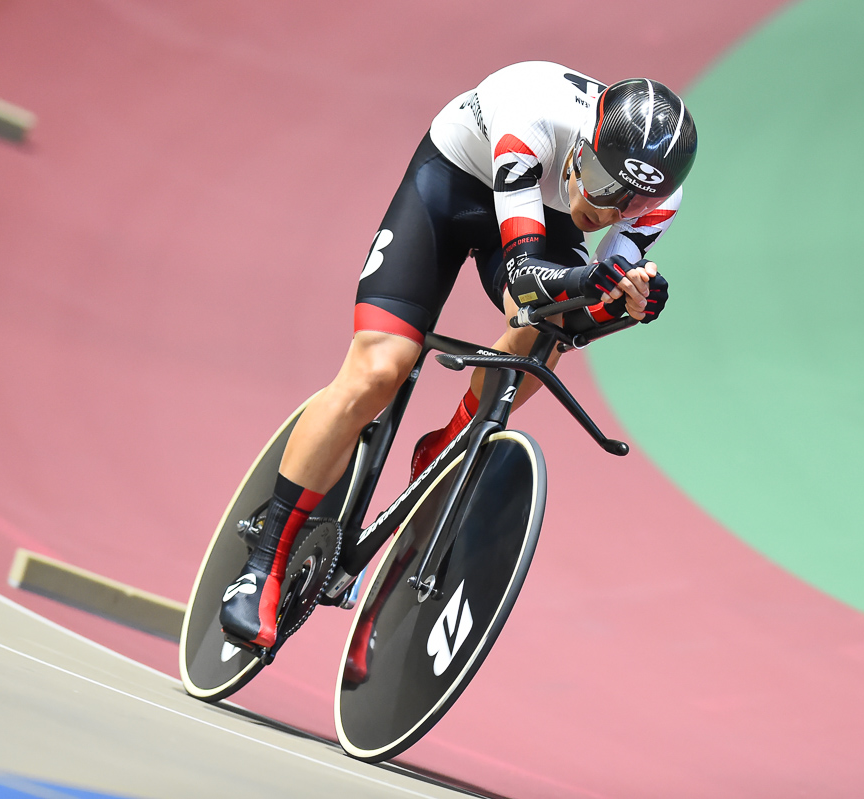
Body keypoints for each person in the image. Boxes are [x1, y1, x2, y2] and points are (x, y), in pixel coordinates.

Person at [220, 61, 697, 650]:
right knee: (378, 371)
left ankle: (446, 447)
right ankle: (263, 562)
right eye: (600, 180)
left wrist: (626, 306)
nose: (604, 210)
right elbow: (525, 279)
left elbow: (586, 300)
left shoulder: (659, 197)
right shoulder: (533, 114)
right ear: (585, 140)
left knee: (548, 335)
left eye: (627, 204)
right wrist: (595, 290)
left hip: (539, 216)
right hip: (452, 185)